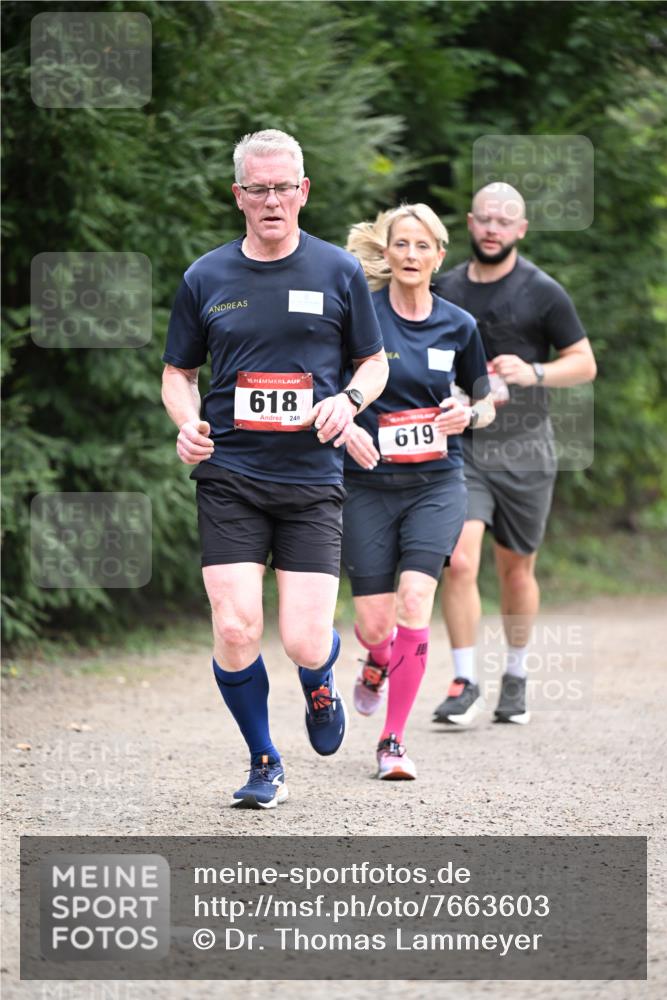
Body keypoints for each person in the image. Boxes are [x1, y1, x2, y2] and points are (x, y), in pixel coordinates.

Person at [161, 129, 388, 808]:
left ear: (303, 191)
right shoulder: (206, 277)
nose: (270, 199)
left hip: (311, 480)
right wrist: (187, 421)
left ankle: (319, 680)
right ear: (238, 196)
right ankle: (263, 758)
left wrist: (347, 404)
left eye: (282, 187)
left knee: (302, 637)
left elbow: (372, 364)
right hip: (229, 472)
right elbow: (177, 373)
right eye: (256, 188)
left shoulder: (337, 272)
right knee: (234, 626)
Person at [431, 182, 597, 727]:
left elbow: (584, 362)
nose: (493, 229)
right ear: (471, 223)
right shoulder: (447, 287)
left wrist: (537, 372)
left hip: (526, 447)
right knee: (458, 560)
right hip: (465, 444)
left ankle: (517, 675)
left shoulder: (543, 291)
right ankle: (465, 681)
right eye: (484, 218)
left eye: (505, 221)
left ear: (520, 230)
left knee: (516, 569)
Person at [343, 204, 494, 780]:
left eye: (421, 246)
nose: (410, 255)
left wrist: (467, 413)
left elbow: (483, 400)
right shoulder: (362, 320)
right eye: (400, 245)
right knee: (375, 624)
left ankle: (392, 742)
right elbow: (336, 389)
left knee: (414, 604)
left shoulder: (459, 325)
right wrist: (350, 425)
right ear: (386, 253)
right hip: (368, 486)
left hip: (436, 481)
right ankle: (376, 661)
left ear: (438, 255)